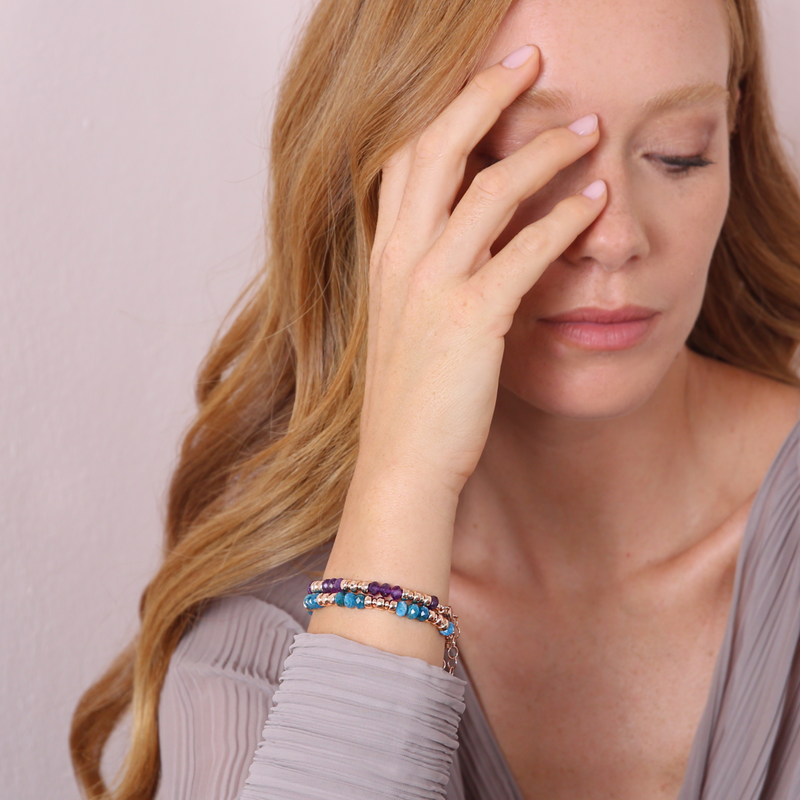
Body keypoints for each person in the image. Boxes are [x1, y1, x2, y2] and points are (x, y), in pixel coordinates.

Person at [71, 0, 800, 797]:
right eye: (524, 158)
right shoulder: (262, 644)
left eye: (678, 155)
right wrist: (404, 477)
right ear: (381, 189)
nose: (616, 235)